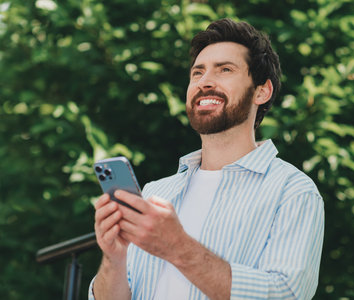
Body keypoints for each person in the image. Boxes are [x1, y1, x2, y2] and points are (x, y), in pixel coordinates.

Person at [89, 18, 324, 300]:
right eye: (197, 73)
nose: (205, 82)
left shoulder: (293, 191)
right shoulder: (156, 194)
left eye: (225, 69)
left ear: (262, 91)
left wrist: (178, 247)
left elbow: (285, 295)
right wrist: (114, 259)